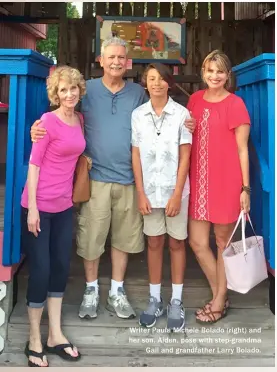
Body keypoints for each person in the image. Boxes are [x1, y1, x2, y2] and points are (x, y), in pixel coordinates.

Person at [30, 36, 196, 321]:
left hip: (131, 180)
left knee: (124, 238)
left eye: (122, 57)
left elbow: (159, 112)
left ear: (127, 62)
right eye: (111, 57)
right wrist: (38, 127)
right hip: (95, 178)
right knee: (91, 238)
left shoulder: (136, 93)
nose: (117, 62)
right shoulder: (87, 90)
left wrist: (189, 121)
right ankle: (91, 290)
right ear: (101, 60)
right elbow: (63, 112)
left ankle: (117, 291)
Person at [21, 66, 85, 366]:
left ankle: (55, 334)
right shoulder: (47, 121)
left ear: (79, 90)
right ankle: (35, 337)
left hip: (63, 206)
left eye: (73, 88)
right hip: (39, 206)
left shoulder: (79, 119)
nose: (69, 94)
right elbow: (34, 166)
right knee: (41, 272)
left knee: (60, 268)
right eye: (63, 90)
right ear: (55, 94)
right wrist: (32, 208)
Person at [187, 50, 251, 324]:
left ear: (227, 75)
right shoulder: (194, 100)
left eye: (220, 71)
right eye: (210, 70)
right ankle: (220, 294)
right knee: (197, 242)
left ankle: (218, 300)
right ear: (203, 72)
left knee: (223, 243)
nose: (214, 76)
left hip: (226, 182)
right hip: (198, 180)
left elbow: (242, 149)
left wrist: (245, 189)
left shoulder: (235, 104)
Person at [131, 64, 192, 331]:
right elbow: (135, 154)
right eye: (151, 79)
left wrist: (177, 194)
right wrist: (140, 192)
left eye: (161, 79)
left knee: (177, 244)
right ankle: (155, 298)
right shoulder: (137, 115)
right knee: (154, 243)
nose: (156, 84)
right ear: (145, 83)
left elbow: (186, 155)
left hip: (174, 191)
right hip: (149, 192)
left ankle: (176, 301)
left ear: (169, 83)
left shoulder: (182, 114)